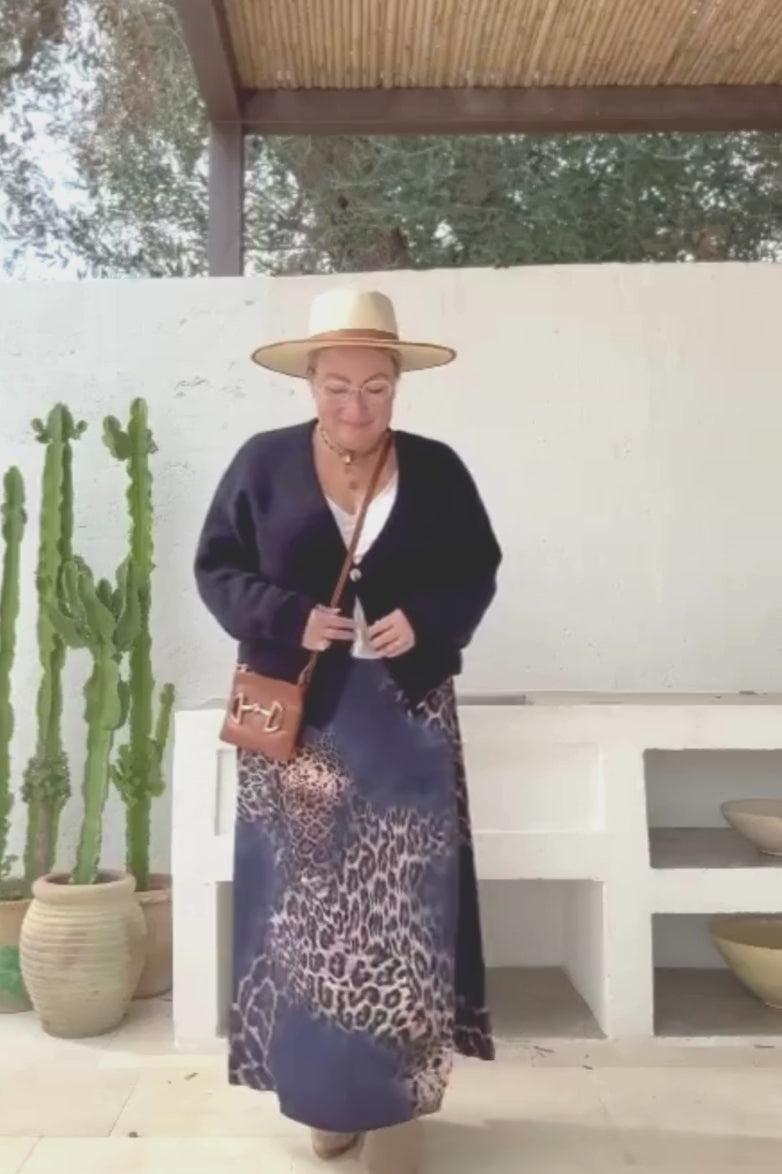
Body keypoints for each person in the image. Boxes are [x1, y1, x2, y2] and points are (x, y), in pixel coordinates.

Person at [193, 288, 501, 1174]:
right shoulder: (262, 463)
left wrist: (428, 620)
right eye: (337, 387)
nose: (356, 407)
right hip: (302, 720)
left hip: (404, 714)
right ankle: (324, 1100)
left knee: (406, 911)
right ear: (310, 385)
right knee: (305, 918)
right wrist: (289, 616)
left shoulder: (437, 468)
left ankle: (397, 1099)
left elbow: (477, 567)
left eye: (374, 388)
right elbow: (217, 568)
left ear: (397, 385)